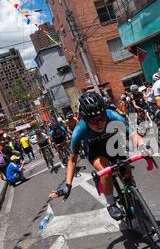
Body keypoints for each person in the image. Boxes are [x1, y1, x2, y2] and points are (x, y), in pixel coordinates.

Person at [49, 92, 151, 221]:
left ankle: (133, 192)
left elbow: (133, 135)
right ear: (85, 119)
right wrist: (68, 185)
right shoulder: (79, 129)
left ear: (105, 112)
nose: (99, 123)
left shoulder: (112, 115)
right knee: (105, 171)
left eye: (102, 117)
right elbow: (73, 160)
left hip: (113, 144)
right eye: (93, 120)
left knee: (126, 170)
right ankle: (111, 204)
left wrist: (142, 147)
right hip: (94, 150)